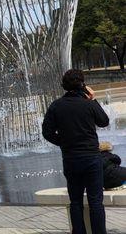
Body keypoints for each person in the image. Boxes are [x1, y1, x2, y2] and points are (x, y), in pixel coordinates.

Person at [42, 69, 109, 234]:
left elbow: (47, 132)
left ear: (64, 86)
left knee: (76, 202)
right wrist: (93, 100)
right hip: (92, 159)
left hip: (71, 159)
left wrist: (63, 143)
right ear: (83, 85)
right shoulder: (88, 104)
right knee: (95, 202)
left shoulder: (56, 106)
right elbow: (104, 121)